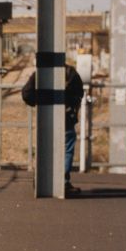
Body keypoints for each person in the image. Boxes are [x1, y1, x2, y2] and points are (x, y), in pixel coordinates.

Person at [21, 62, 85, 195]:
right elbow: (80, 93)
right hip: (66, 119)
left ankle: (42, 180)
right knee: (66, 149)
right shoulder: (70, 72)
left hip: (45, 119)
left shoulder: (40, 73)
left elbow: (26, 94)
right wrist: (71, 107)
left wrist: (38, 104)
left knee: (45, 148)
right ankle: (63, 183)